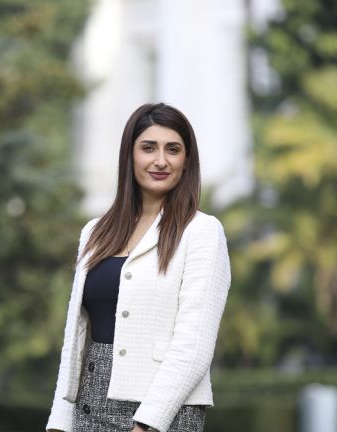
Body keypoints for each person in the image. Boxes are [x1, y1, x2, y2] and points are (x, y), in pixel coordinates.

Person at [46, 103, 231, 432]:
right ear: (129, 156)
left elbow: (194, 345)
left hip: (163, 414)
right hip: (89, 407)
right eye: (148, 148)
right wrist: (59, 421)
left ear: (187, 160)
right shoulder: (95, 231)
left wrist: (147, 423)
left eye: (173, 149)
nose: (161, 160)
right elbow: (75, 337)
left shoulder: (202, 232)